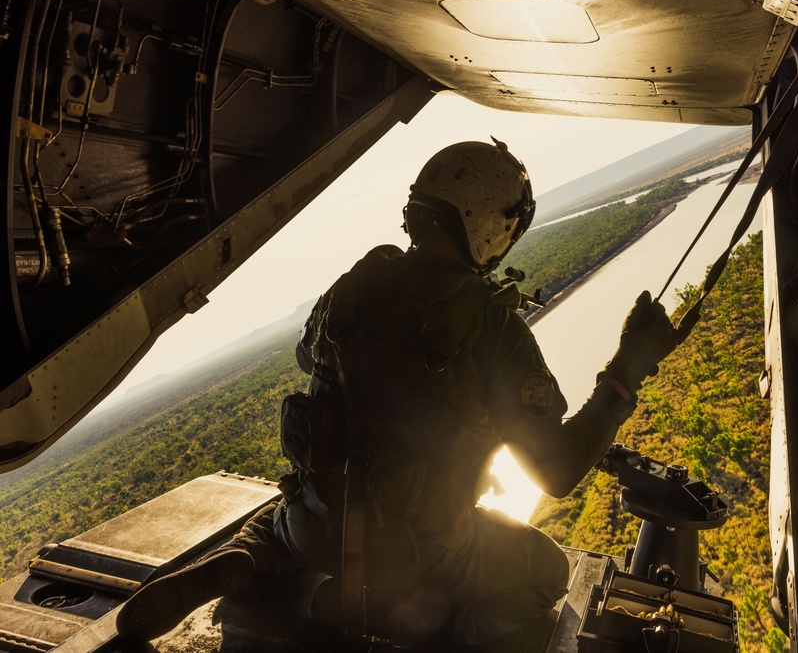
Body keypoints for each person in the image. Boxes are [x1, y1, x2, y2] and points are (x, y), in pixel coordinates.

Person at [116, 138, 678, 646]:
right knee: (545, 572)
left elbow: (305, 356)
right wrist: (628, 367)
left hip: (314, 525)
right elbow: (555, 473)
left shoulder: (353, 287)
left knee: (279, 513)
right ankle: (422, 622)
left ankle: (246, 558)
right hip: (420, 548)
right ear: (490, 225)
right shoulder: (491, 325)